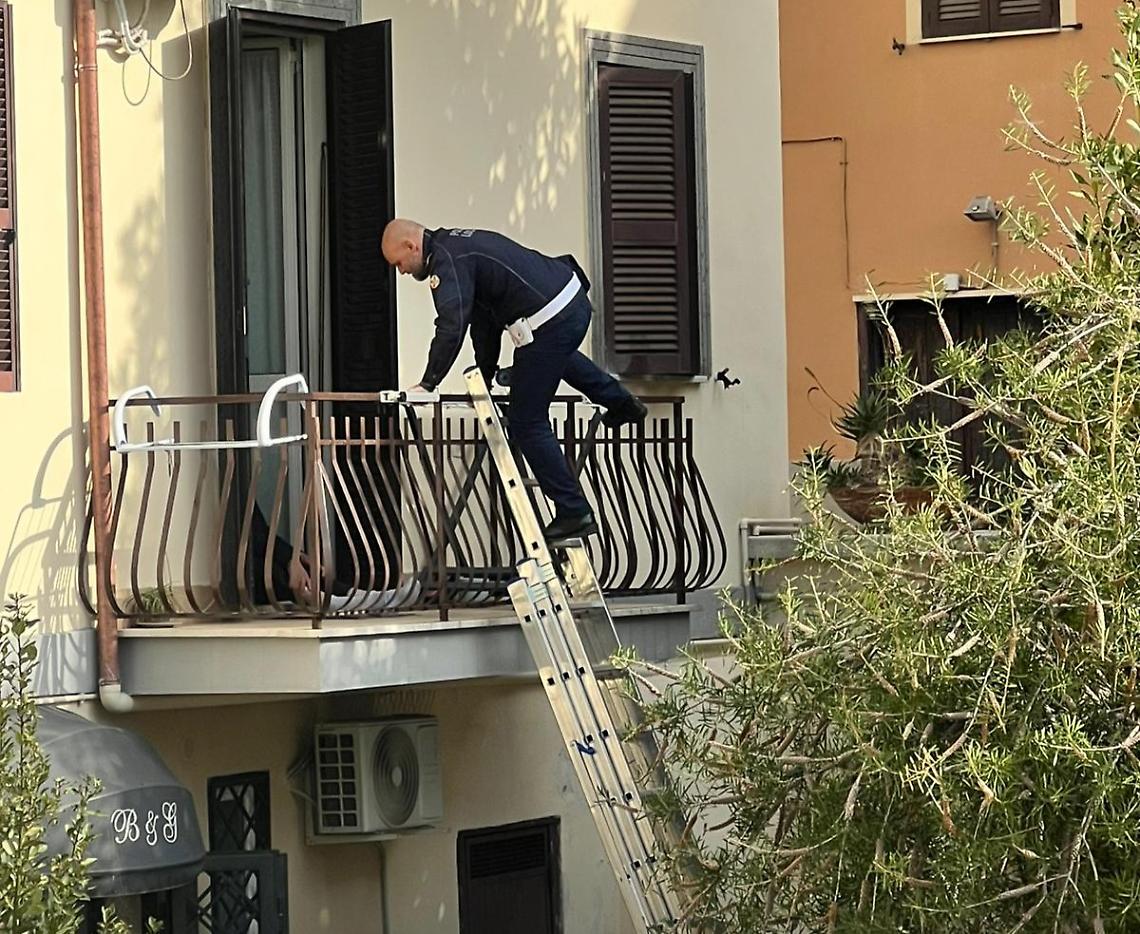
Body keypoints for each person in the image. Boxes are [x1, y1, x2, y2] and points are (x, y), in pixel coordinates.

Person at [381, 219, 647, 541]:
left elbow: (452, 324)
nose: (402, 272)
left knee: (526, 421)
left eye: (399, 263)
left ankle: (573, 510)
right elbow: (482, 323)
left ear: (411, 246)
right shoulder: (458, 246)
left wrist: (428, 383)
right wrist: (486, 373)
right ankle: (622, 404)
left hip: (549, 319)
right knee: (555, 359)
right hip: (568, 301)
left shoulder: (446, 261)